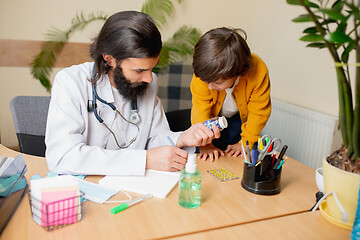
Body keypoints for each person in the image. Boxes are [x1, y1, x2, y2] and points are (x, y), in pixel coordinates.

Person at [45, 11, 220, 176]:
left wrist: (182, 138)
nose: (149, 78)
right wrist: (144, 160)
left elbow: (154, 140)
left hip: (137, 186)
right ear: (110, 59)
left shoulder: (148, 83)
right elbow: (63, 157)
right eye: (139, 70)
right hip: (89, 186)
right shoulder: (71, 82)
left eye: (152, 69)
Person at [190, 27, 271, 161]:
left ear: (240, 71)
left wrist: (245, 143)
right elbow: (200, 108)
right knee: (208, 158)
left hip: (239, 120)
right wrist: (205, 144)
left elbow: (259, 112)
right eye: (206, 81)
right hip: (209, 119)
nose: (210, 86)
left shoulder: (258, 70)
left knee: (236, 159)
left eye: (217, 83)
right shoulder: (204, 73)